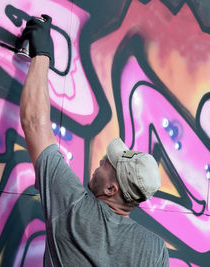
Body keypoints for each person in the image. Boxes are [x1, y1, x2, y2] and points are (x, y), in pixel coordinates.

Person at [18, 15, 169, 266]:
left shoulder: (74, 210)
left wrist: (42, 53)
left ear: (112, 189)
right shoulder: (155, 251)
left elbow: (34, 123)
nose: (101, 161)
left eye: (107, 164)